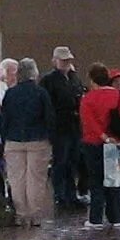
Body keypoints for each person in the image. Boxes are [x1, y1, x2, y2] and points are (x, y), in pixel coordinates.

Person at [0, 56, 55, 228]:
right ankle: (34, 214)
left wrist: (5, 137)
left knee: (16, 179)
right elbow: (49, 117)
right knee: (36, 178)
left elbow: (4, 118)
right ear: (34, 73)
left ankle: (21, 214)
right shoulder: (41, 93)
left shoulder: (10, 93)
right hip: (38, 140)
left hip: (14, 141)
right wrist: (51, 137)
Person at [80, 63, 120, 228]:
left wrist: (103, 136)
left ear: (92, 80)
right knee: (115, 182)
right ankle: (116, 218)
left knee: (96, 181)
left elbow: (88, 122)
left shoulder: (88, 98)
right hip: (117, 145)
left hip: (93, 144)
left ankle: (96, 218)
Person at [42, 47, 88, 215]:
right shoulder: (49, 80)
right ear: (55, 61)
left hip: (75, 125)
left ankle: (71, 193)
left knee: (73, 161)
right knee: (60, 161)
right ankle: (60, 194)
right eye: (63, 61)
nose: (66, 64)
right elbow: (47, 105)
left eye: (68, 61)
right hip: (59, 126)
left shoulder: (74, 78)